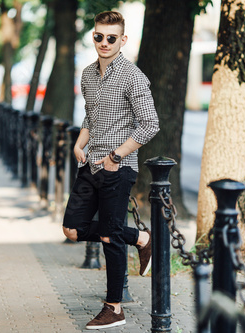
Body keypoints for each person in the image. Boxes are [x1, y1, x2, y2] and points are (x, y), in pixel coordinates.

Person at [62, 11, 160, 330]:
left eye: (111, 38)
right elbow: (92, 116)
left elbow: (150, 124)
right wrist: (80, 144)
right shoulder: (88, 74)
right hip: (92, 163)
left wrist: (117, 155)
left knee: (107, 235)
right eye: (99, 36)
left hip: (118, 167)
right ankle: (141, 238)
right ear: (93, 36)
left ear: (123, 40)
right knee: (73, 229)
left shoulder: (132, 76)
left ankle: (114, 308)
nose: (104, 42)